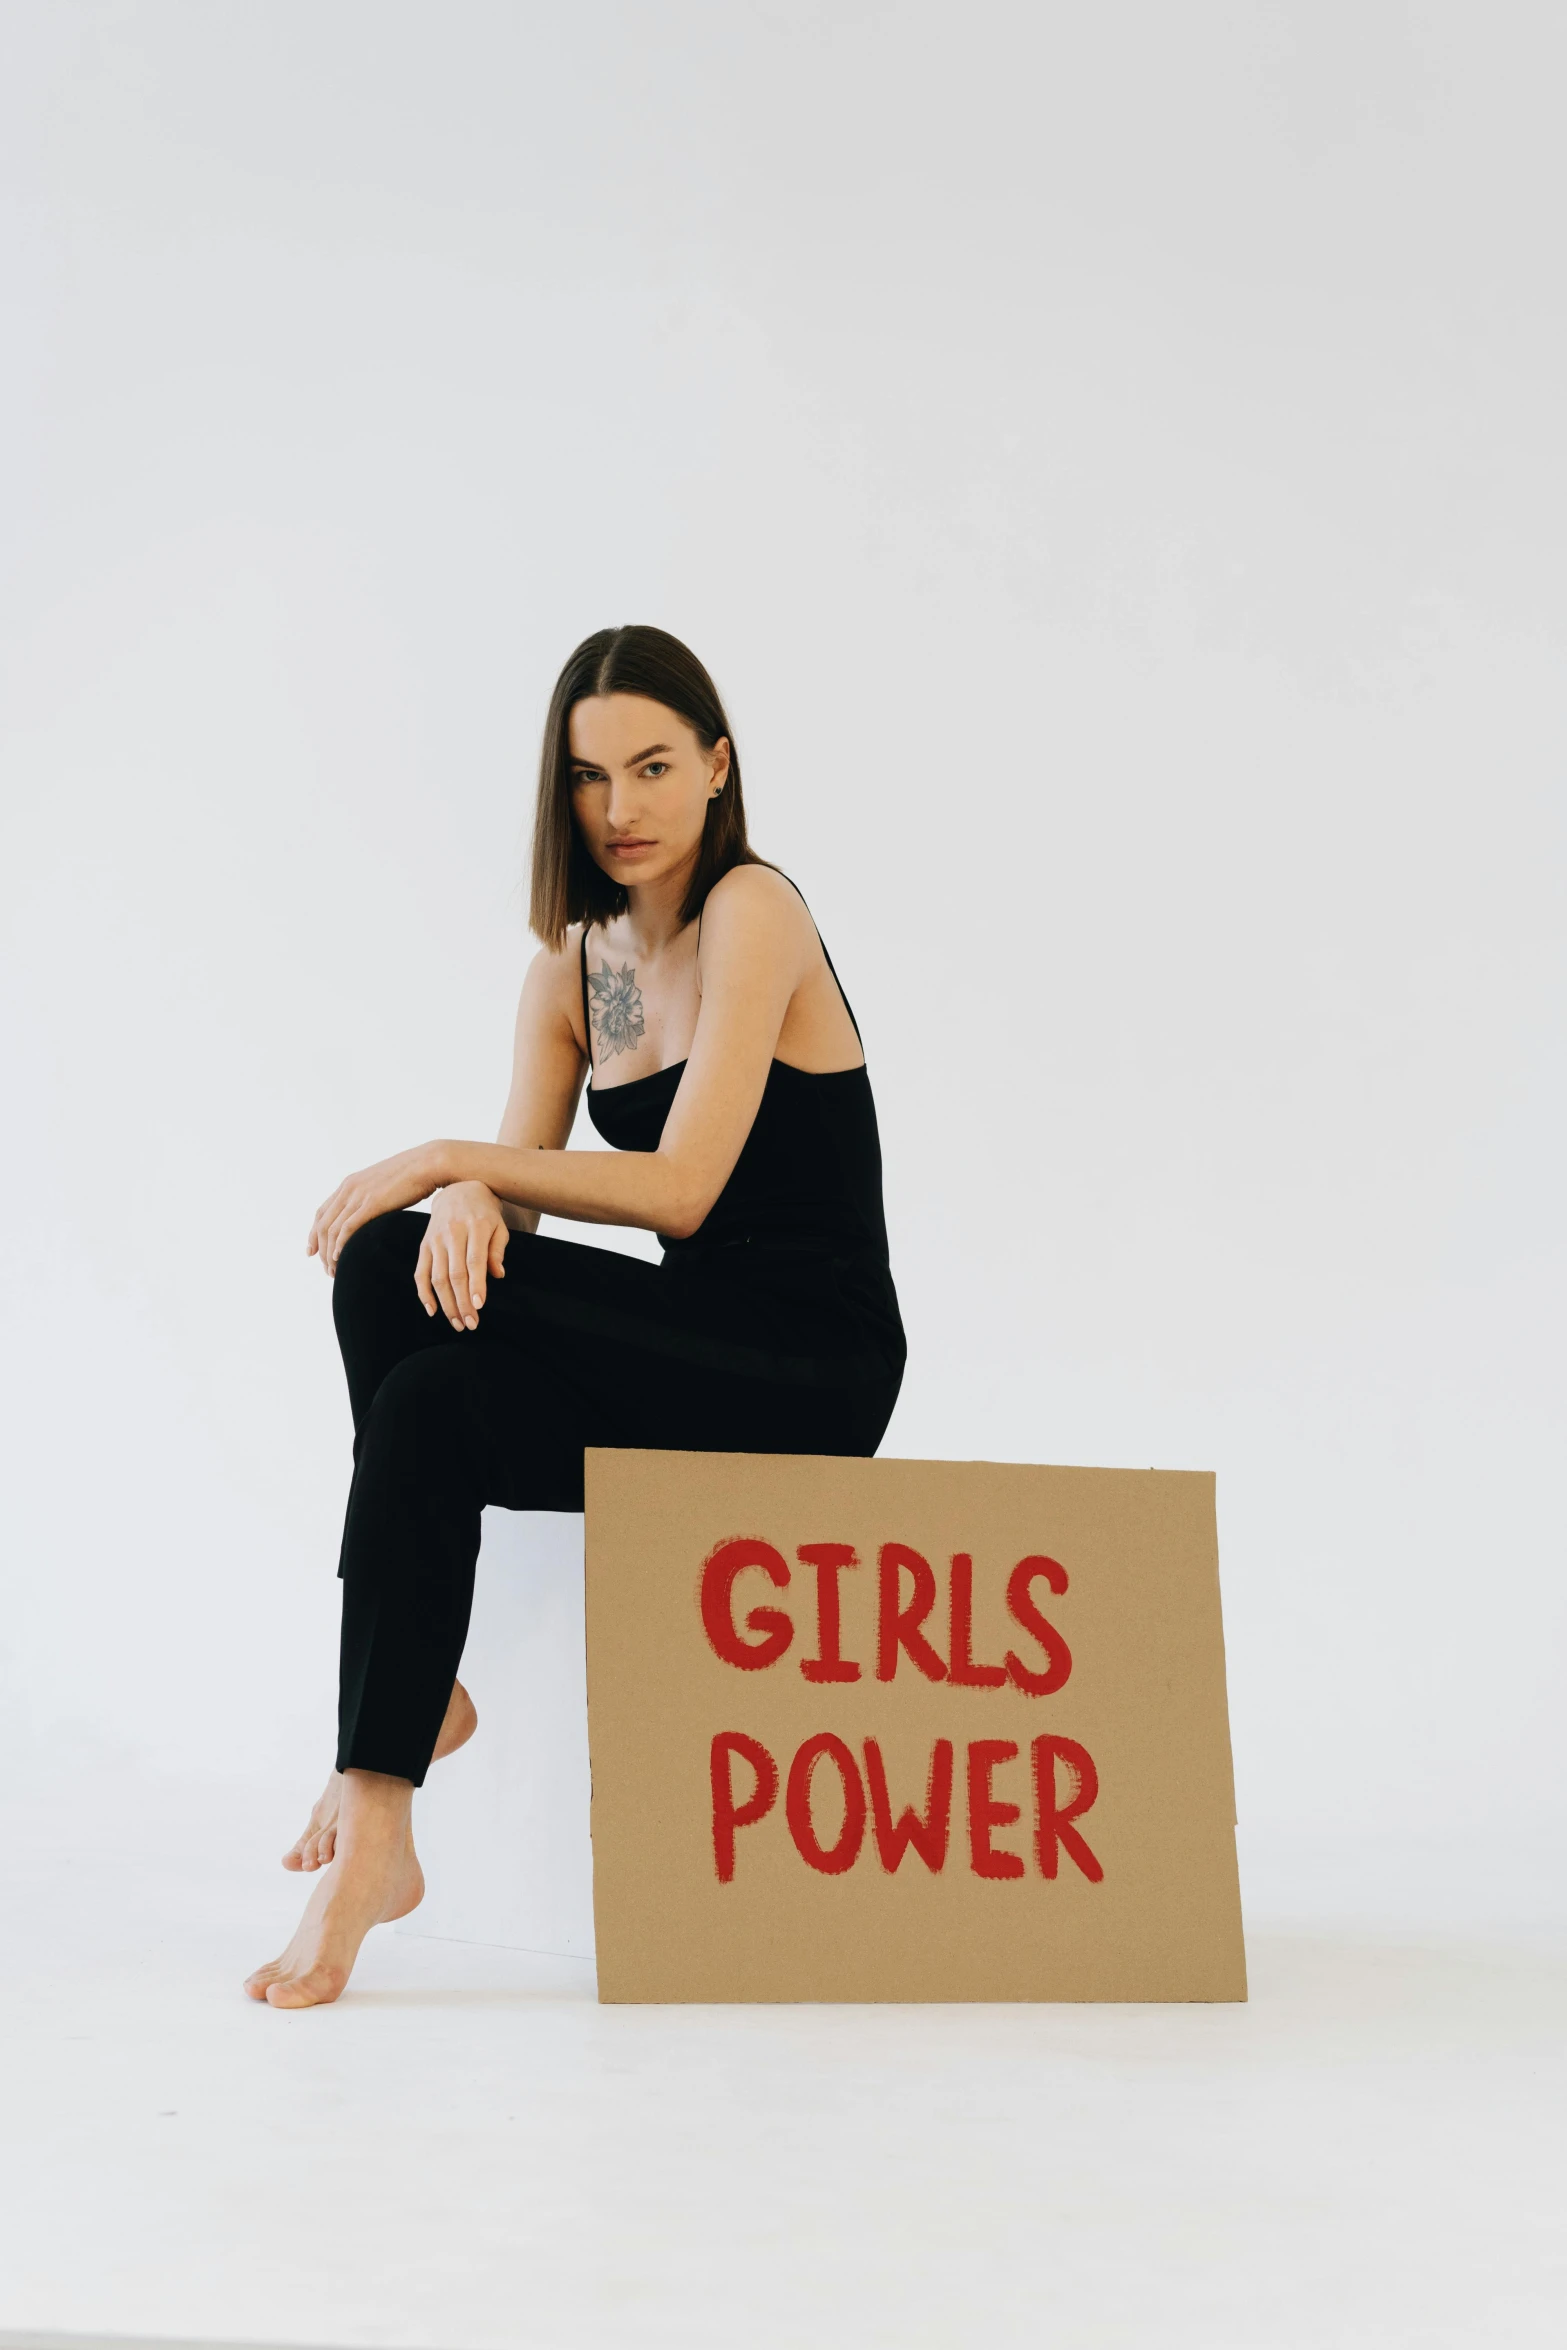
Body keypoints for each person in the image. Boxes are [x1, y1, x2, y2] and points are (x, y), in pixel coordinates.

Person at [245, 625, 906, 2007]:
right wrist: (477, 1198)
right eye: (591, 776)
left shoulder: (754, 912)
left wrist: (455, 1164)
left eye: (656, 765)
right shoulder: (571, 971)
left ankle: (398, 1694)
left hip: (806, 1365)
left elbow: (678, 1189)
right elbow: (505, 1238)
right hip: (679, 1350)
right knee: (397, 1297)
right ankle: (384, 1809)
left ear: (717, 767)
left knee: (410, 1224)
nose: (623, 807)